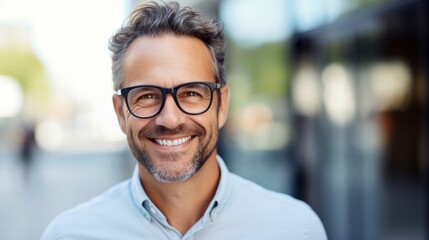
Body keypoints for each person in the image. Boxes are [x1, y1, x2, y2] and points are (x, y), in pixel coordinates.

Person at [41, 1, 327, 239]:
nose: (170, 118)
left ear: (222, 104)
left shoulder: (295, 228)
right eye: (147, 96)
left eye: (191, 93)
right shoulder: (69, 234)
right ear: (120, 112)